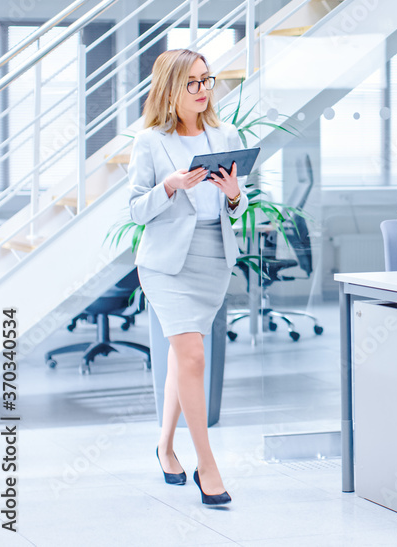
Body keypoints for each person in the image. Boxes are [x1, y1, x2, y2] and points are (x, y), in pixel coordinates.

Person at [128, 49, 248, 505]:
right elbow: (137, 209)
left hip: (212, 258)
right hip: (166, 264)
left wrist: (234, 195)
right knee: (193, 354)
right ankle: (208, 465)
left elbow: (237, 208)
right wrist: (171, 186)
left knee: (186, 354)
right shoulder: (150, 142)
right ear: (170, 90)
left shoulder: (226, 134)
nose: (203, 91)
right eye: (192, 83)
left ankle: (163, 446)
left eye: (206, 80)